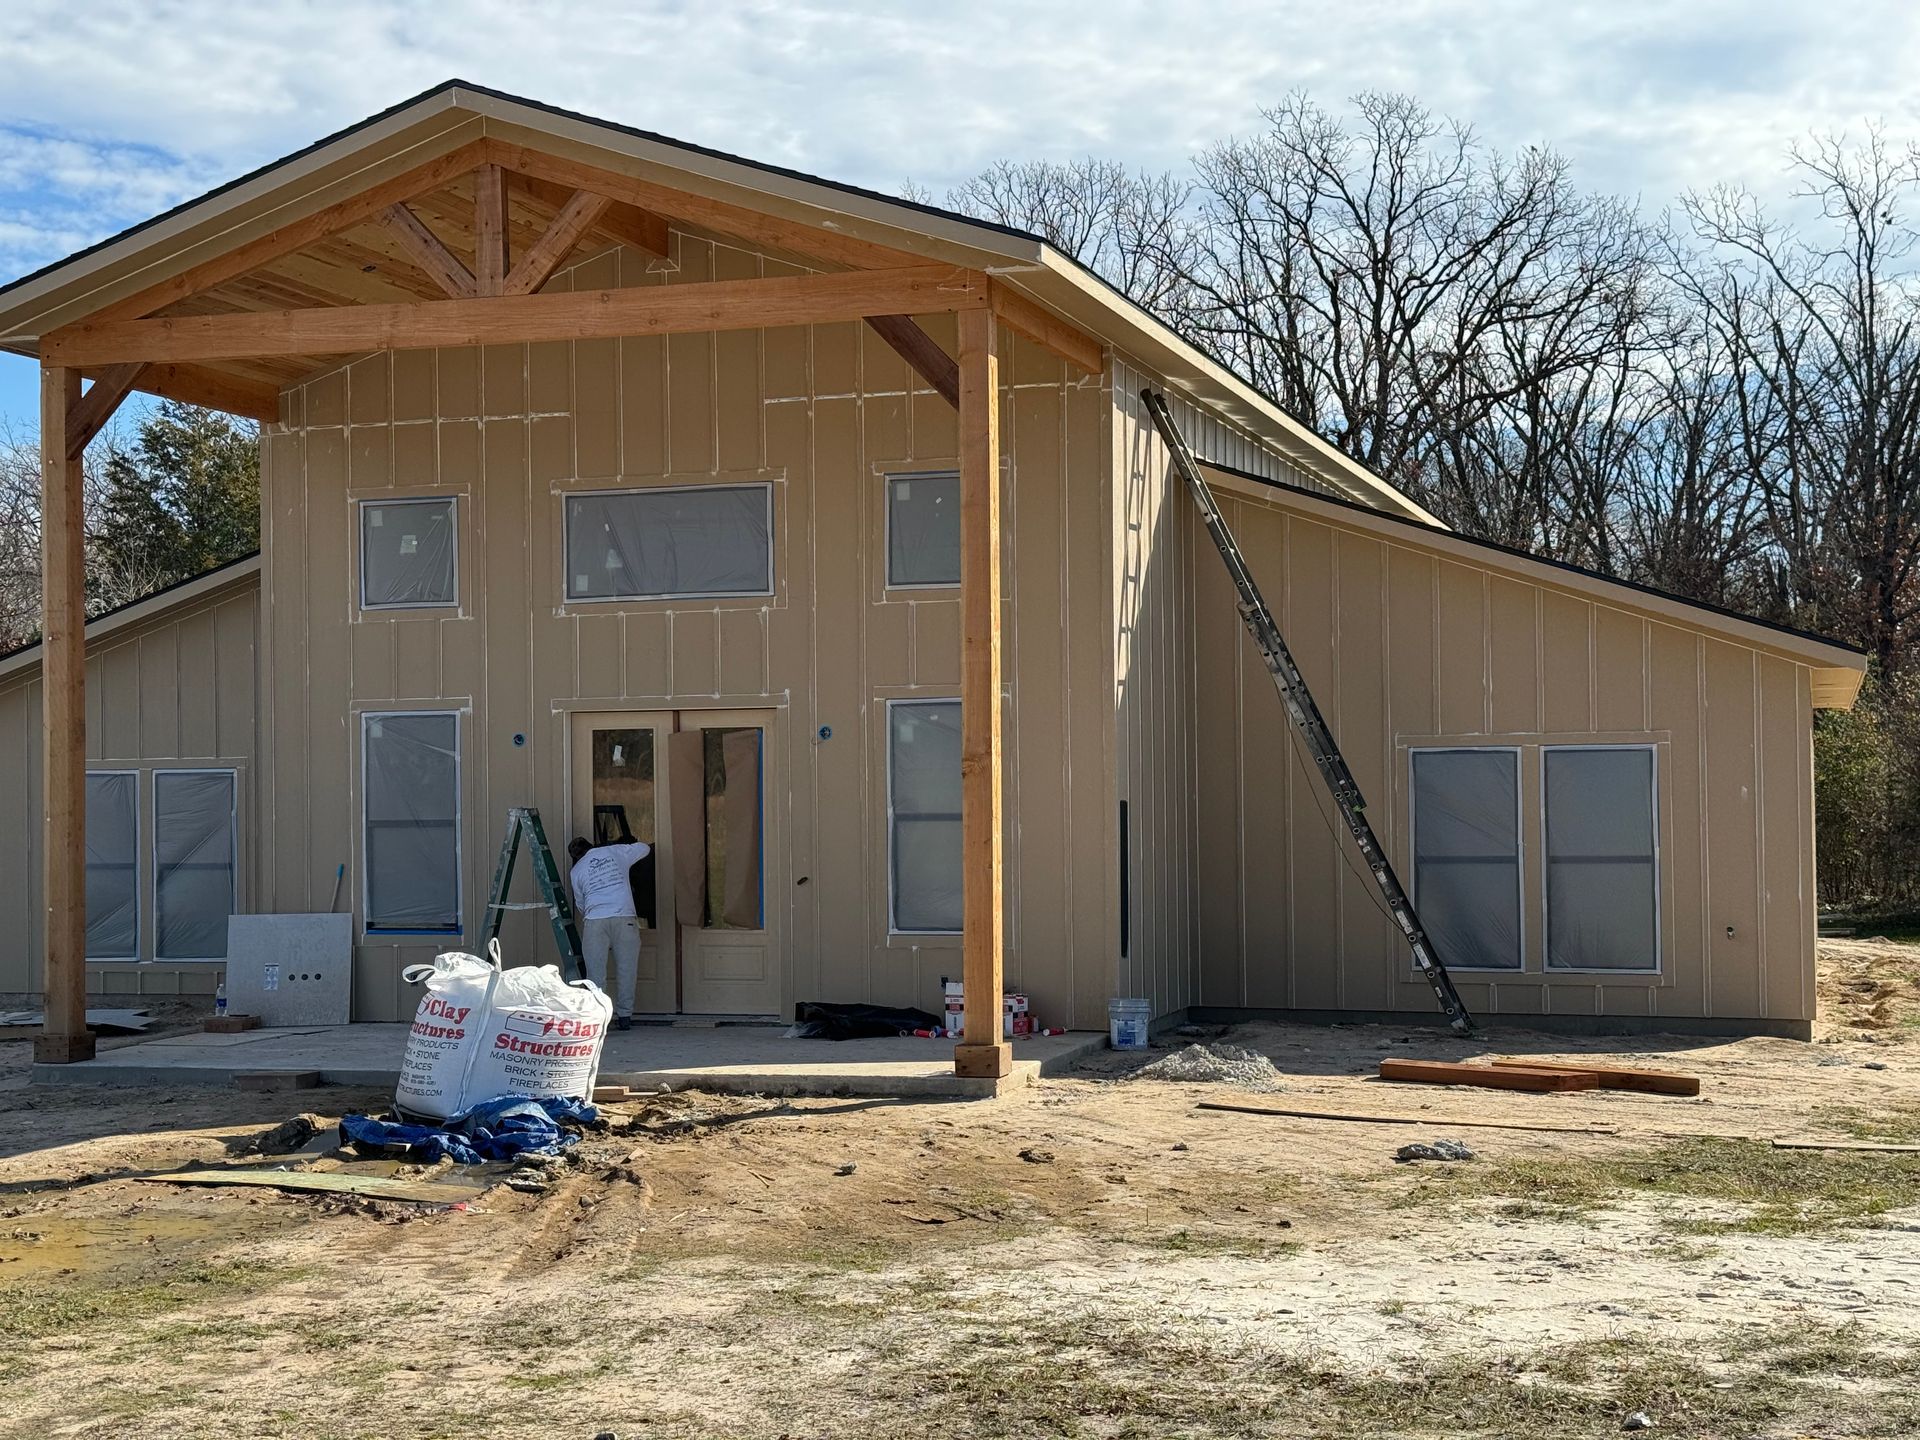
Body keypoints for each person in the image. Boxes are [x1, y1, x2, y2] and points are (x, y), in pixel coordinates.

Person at [567, 834, 652, 1031]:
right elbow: (644, 848)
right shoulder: (615, 852)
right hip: (624, 918)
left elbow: (580, 904)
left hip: (595, 921)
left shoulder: (577, 870)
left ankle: (599, 1019)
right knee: (627, 969)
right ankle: (625, 1016)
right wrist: (618, 845)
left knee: (596, 974)